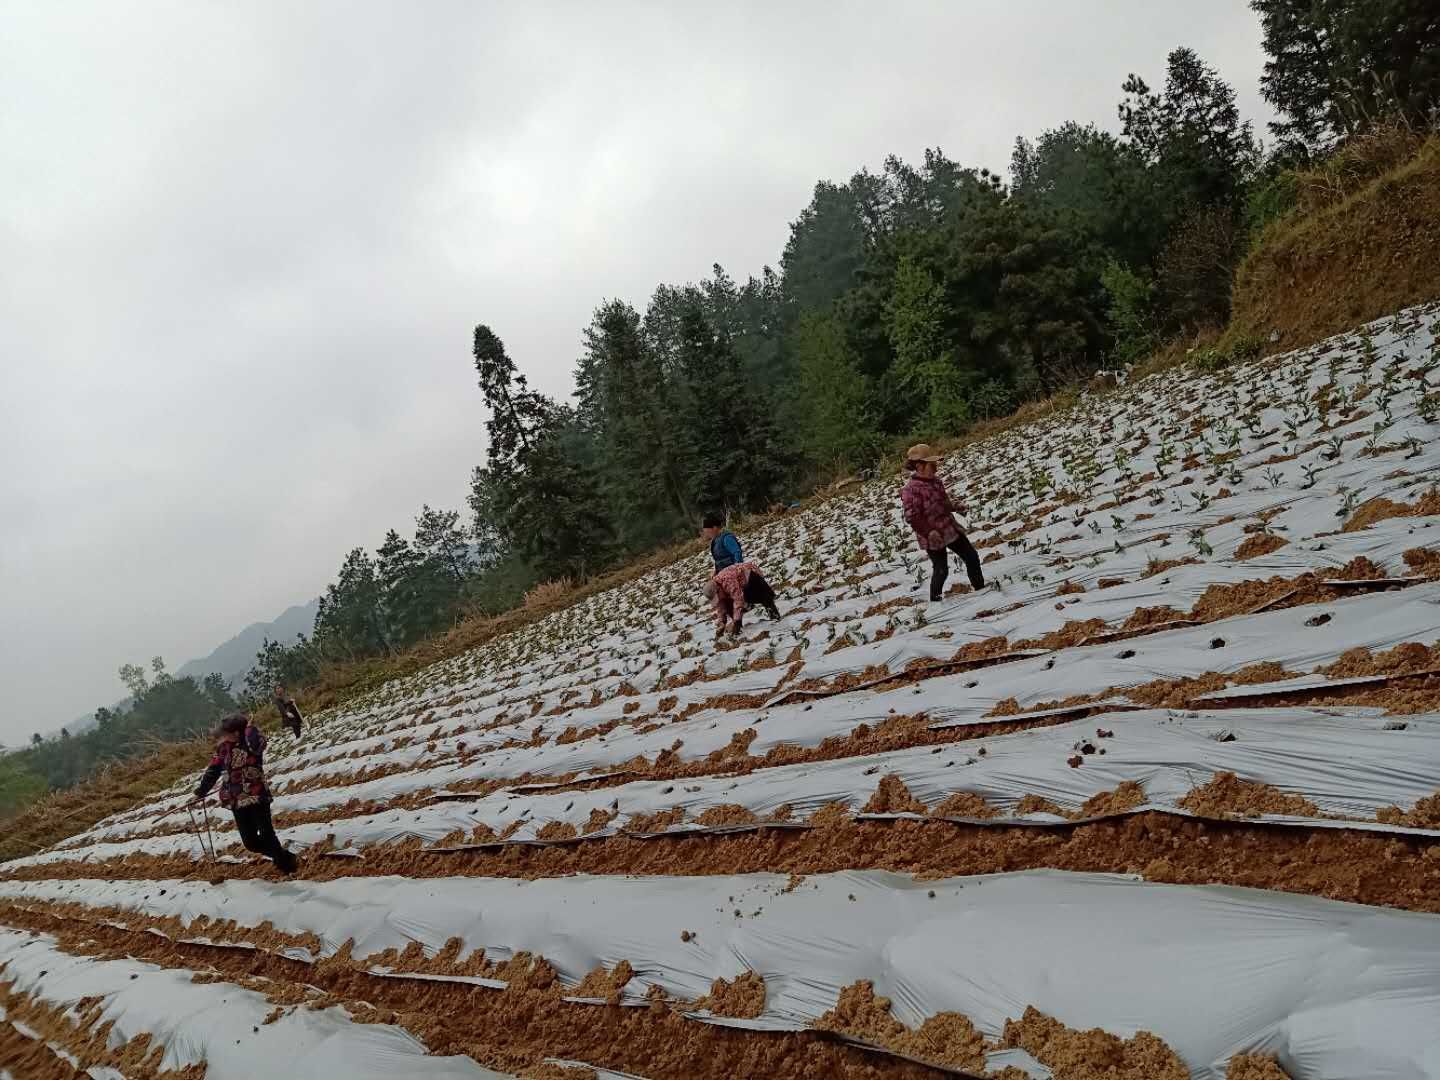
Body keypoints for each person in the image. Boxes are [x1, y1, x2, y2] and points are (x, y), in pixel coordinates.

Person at [194, 712, 298, 874]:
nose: (222, 738)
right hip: (235, 798)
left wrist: (249, 727)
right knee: (250, 842)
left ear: (236, 732)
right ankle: (285, 857)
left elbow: (258, 742)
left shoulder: (251, 742)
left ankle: (286, 867)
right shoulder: (222, 748)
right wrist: (200, 792)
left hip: (256, 794)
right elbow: (213, 770)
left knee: (266, 833)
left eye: (226, 734)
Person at [900, 443, 985, 602]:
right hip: (932, 535)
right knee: (941, 570)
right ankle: (935, 601)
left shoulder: (936, 482)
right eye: (932, 464)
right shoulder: (910, 490)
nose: (936, 468)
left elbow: (943, 502)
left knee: (971, 556)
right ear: (919, 466)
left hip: (948, 527)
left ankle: (981, 590)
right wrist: (929, 532)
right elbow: (912, 517)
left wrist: (955, 507)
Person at [705, 560, 781, 637]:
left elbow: (738, 600)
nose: (718, 598)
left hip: (750, 575)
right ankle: (738, 627)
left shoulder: (728, 581)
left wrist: (737, 621)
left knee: (764, 597)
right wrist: (722, 622)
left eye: (717, 596)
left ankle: (776, 619)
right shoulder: (716, 588)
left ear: (718, 589)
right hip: (741, 583)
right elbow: (720, 606)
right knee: (727, 604)